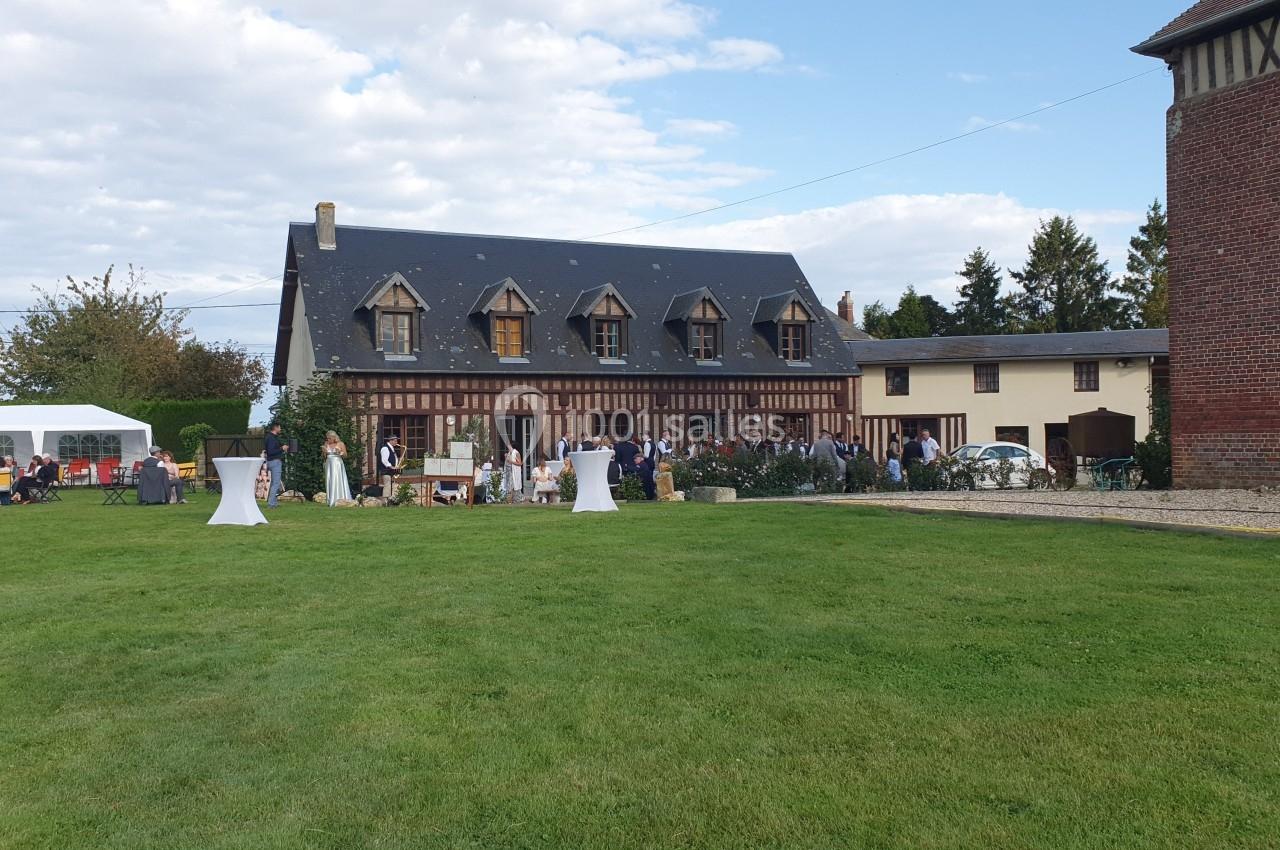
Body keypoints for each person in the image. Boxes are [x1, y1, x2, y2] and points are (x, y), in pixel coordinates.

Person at [264, 423, 291, 508]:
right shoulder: (271, 438)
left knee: (274, 483)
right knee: (276, 483)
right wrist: (281, 448)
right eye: (280, 427)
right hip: (274, 462)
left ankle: (273, 502)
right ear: (275, 428)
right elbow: (271, 451)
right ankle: (271, 504)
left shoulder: (271, 437)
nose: (281, 429)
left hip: (272, 461)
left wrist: (282, 448)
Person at [323, 430, 351, 506]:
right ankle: (331, 499)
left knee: (338, 479)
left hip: (337, 464)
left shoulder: (340, 444)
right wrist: (324, 452)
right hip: (329, 464)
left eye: (329, 438)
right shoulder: (326, 444)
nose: (328, 440)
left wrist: (339, 453)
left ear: (334, 437)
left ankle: (341, 498)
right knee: (330, 480)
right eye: (327, 438)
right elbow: (324, 457)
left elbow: (345, 455)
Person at [377, 433, 401, 498]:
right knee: (387, 485)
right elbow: (384, 460)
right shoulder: (385, 448)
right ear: (391, 441)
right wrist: (392, 467)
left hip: (391, 471)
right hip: (386, 471)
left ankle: (390, 499)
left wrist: (396, 466)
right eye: (395, 441)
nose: (396, 442)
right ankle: (385, 501)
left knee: (390, 486)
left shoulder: (391, 448)